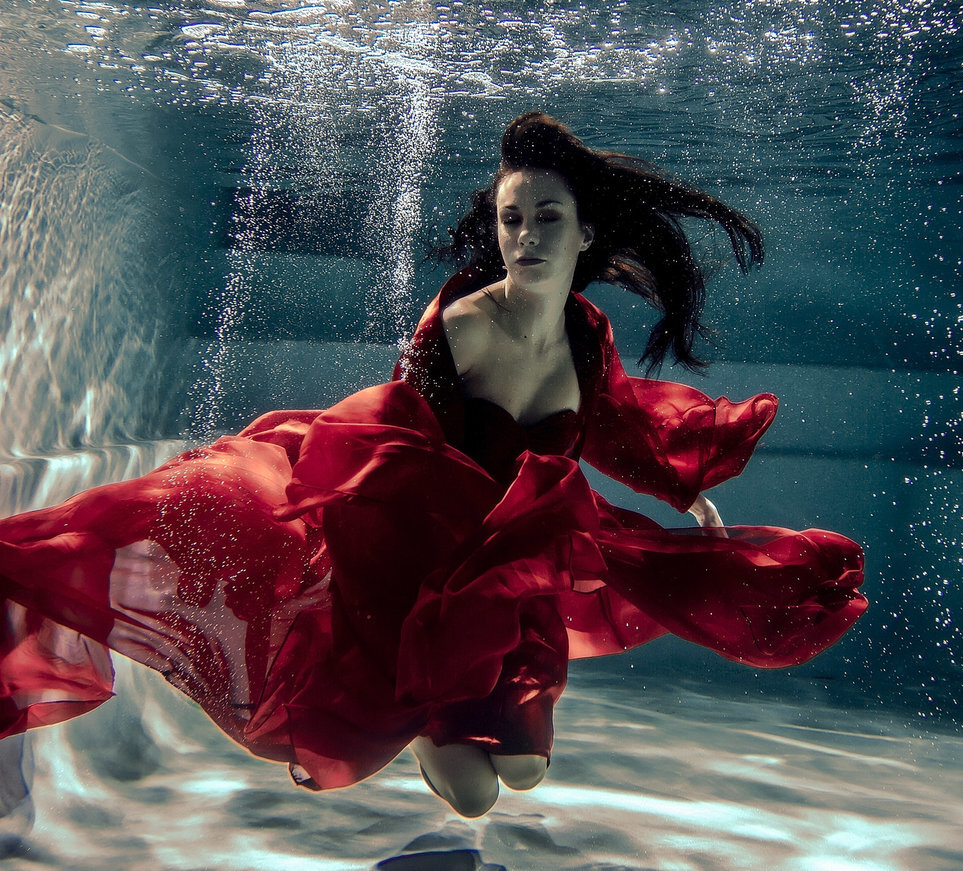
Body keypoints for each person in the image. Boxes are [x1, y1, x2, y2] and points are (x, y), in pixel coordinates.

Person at [0, 113, 866, 817]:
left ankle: (445, 719)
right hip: (413, 575)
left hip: (510, 583)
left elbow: (616, 426)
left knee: (522, 772)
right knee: (473, 792)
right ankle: (422, 719)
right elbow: (385, 440)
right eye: (511, 218)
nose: (524, 236)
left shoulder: (588, 338)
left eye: (546, 219)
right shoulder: (459, 324)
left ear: (585, 230)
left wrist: (689, 483)